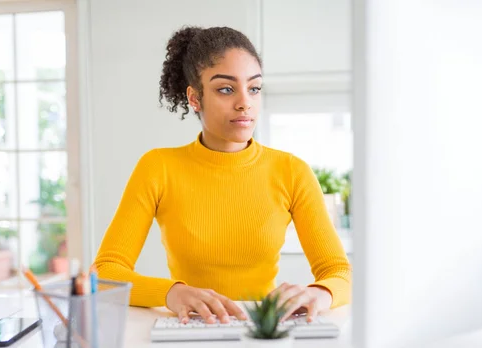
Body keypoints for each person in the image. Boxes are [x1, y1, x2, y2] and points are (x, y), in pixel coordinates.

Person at [95, 26, 351, 325]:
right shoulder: (158, 167)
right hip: (189, 329)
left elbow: (339, 272)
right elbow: (104, 272)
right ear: (195, 98)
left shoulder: (292, 171)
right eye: (226, 89)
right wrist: (171, 293)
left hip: (265, 331)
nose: (245, 102)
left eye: (254, 88)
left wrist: (319, 294)